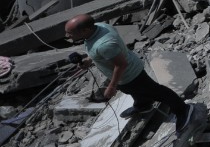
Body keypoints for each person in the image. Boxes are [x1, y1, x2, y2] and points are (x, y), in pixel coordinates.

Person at [64, 14, 193, 129]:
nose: (67, 36)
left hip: (130, 74)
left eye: (70, 33)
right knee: (132, 90)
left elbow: (121, 64)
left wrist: (112, 86)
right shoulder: (98, 27)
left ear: (85, 30)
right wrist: (89, 60)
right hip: (125, 76)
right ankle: (143, 105)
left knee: (157, 92)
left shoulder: (104, 44)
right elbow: (102, 54)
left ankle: (183, 110)